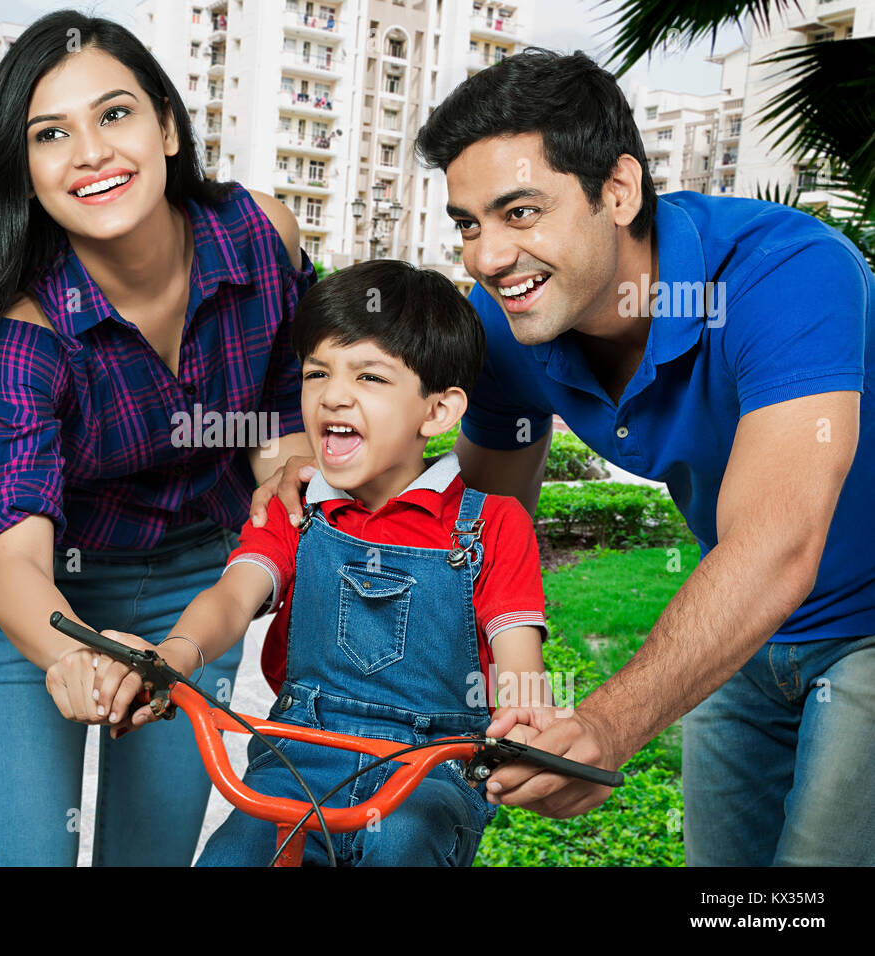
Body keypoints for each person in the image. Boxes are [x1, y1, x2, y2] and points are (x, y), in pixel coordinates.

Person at [258, 48, 874, 865]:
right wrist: (323, 458)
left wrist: (606, 723)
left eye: (520, 213)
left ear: (617, 191)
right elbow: (458, 543)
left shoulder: (783, 273)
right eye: (469, 224)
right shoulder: (511, 323)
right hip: (742, 633)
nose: (486, 257)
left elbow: (779, 541)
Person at [0, 12, 316, 866]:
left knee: (151, 855)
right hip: (46, 595)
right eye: (50, 134)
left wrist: (288, 474)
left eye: (114, 114)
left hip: (193, 581)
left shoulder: (261, 235)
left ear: (167, 126)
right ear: (26, 174)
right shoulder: (24, 331)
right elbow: (17, 557)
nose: (90, 152)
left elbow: (284, 409)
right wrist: (73, 656)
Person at [95, 259, 554, 866]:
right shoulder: (297, 510)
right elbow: (233, 596)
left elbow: (518, 654)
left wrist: (523, 716)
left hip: (431, 771)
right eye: (317, 373)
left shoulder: (491, 525)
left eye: (369, 376)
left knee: (400, 845)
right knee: (233, 854)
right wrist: (173, 657)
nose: (334, 395)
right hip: (298, 755)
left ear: (438, 412)